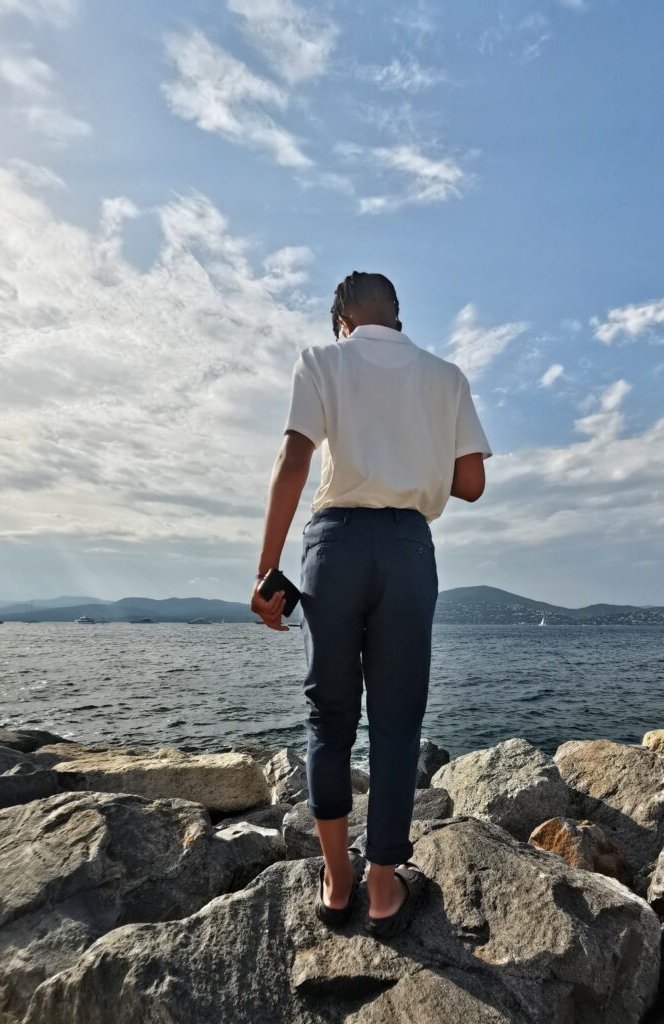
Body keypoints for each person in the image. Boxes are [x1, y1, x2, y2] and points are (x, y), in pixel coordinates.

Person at [251, 270, 492, 936]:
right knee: (396, 724)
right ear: (399, 320)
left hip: (334, 547)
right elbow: (471, 482)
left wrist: (268, 568)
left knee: (329, 717)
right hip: (408, 552)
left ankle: (336, 880)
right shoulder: (444, 376)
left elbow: (294, 460)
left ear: (342, 323)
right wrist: (413, 459)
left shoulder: (322, 361)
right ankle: (383, 888)